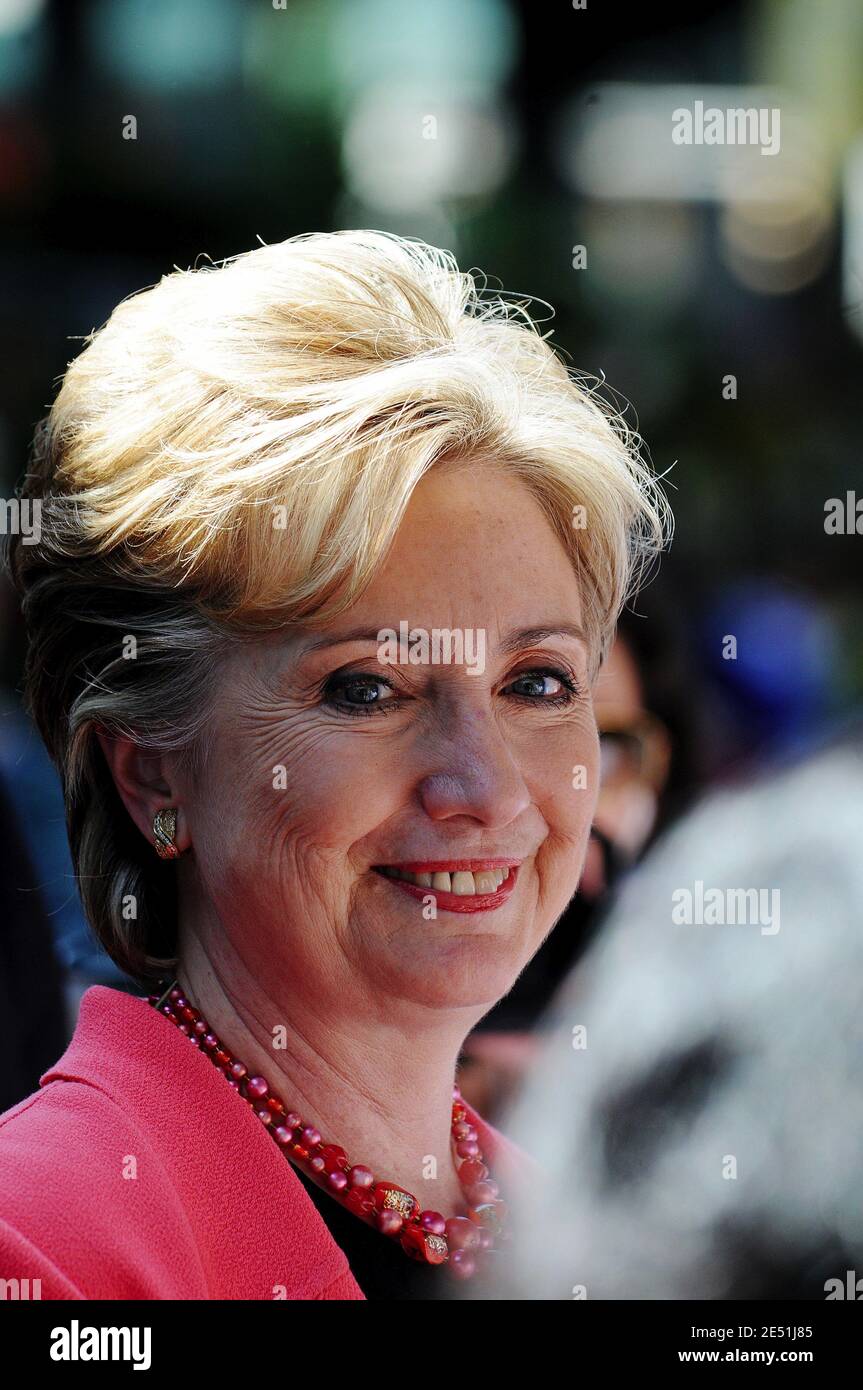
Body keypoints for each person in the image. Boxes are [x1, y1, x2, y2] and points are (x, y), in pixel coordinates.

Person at [0, 229, 666, 1300]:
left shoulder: (608, 1242)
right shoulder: (42, 1246)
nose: (485, 789)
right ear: (150, 773)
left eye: (536, 681)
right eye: (366, 689)